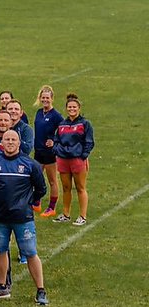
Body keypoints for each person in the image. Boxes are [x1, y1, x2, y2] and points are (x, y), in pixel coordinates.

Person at [0, 130, 49, 306]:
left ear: (19, 143)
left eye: (13, 139)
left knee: (30, 252)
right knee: (0, 251)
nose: (10, 142)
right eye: (7, 140)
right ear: (1, 142)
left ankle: (40, 290)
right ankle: (2, 286)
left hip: (23, 218)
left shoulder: (30, 164)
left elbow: (41, 189)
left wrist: (27, 203)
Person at [53, 93, 94, 227]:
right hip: (63, 160)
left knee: (80, 187)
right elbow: (56, 140)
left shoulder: (85, 123)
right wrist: (58, 151)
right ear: (66, 108)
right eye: (69, 107)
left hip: (77, 160)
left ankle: (82, 216)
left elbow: (89, 142)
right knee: (66, 187)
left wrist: (83, 156)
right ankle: (66, 214)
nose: (72, 109)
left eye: (74, 107)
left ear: (79, 108)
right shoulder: (62, 124)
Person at [33, 86, 63, 218]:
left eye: (47, 98)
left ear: (52, 99)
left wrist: (55, 141)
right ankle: (36, 202)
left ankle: (52, 207)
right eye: (43, 98)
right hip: (38, 151)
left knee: (52, 181)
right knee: (36, 178)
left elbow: (64, 129)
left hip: (49, 153)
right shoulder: (39, 112)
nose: (45, 100)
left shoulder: (56, 116)